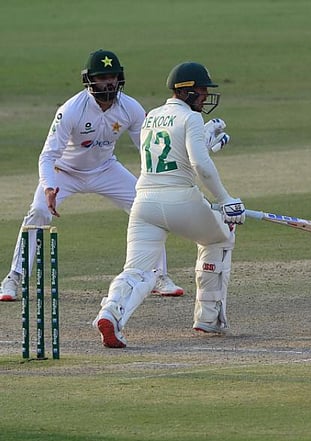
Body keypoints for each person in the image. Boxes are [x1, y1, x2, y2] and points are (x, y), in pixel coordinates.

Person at [0, 49, 186, 302]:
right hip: (64, 172)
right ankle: (14, 278)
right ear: (89, 81)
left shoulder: (130, 107)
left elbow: (147, 147)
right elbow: (47, 156)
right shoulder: (71, 110)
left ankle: (157, 275)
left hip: (105, 168)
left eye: (112, 76)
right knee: (39, 212)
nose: (108, 82)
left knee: (147, 207)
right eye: (102, 77)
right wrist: (48, 187)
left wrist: (157, 179)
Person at [92, 61, 243, 348]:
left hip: (145, 203)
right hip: (180, 200)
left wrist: (205, 141)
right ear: (186, 92)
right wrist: (226, 200)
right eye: (200, 91)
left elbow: (170, 152)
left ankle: (111, 314)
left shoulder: (151, 116)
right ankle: (209, 319)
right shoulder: (191, 119)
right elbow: (200, 165)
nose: (204, 96)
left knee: (137, 270)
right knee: (222, 236)